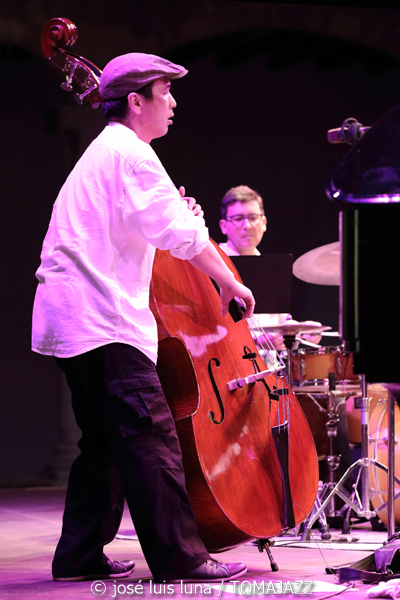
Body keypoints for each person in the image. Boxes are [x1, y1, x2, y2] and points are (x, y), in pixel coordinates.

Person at [32, 53, 254, 584]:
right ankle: (182, 558)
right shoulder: (132, 153)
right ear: (136, 101)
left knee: (103, 443)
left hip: (70, 318)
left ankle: (78, 555)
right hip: (101, 319)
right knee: (151, 436)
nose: (172, 102)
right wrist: (230, 281)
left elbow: (157, 226)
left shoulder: (107, 152)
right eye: (164, 91)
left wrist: (179, 218)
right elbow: (183, 238)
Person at [218, 185, 321, 349]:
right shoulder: (212, 268)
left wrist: (299, 333)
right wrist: (257, 342)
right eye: (238, 218)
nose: (247, 226)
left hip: (270, 364)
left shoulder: (271, 269)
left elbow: (280, 326)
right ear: (223, 226)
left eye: (253, 218)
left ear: (264, 223)